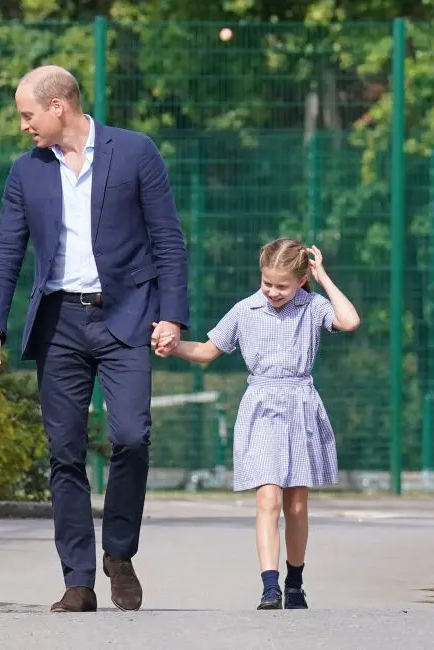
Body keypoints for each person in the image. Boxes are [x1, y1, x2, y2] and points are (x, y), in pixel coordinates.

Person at [0, 65, 190, 613]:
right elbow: (6, 250)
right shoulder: (27, 171)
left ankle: (119, 552)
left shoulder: (135, 152)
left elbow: (168, 239)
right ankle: (78, 579)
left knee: (132, 436)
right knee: (65, 453)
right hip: (60, 325)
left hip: (125, 318)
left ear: (58, 107)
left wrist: (172, 315)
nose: (23, 126)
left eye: (27, 114)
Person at [155, 239, 359, 610]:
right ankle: (270, 586)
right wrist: (175, 346)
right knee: (268, 499)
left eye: (282, 285)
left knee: (296, 504)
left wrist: (323, 277)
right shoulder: (245, 310)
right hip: (261, 407)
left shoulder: (313, 307)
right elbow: (206, 350)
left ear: (300, 280)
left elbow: (349, 320)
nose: (273, 292)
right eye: (267, 283)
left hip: (300, 406)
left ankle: (294, 582)